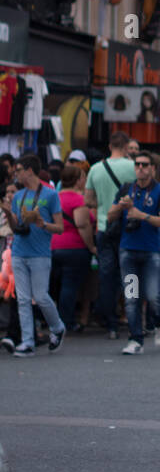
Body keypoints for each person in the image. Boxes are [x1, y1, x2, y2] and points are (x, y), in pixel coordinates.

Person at [1, 155, 66, 356]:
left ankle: (57, 327)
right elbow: (16, 227)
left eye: (19, 169)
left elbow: (60, 228)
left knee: (40, 296)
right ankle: (27, 341)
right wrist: (9, 214)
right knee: (22, 299)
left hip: (40, 253)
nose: (16, 173)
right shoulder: (18, 196)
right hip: (19, 251)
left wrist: (43, 224)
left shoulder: (50, 195)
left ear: (30, 171)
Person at [107, 151, 160, 355]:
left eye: (145, 165)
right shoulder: (126, 188)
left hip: (151, 252)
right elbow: (109, 216)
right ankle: (136, 339)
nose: (140, 168)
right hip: (128, 251)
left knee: (153, 296)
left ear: (152, 168)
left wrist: (141, 215)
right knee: (131, 297)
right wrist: (121, 207)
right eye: (137, 165)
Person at [85, 131, 136, 339]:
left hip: (104, 226)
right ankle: (133, 319)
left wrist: (104, 205)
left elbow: (88, 200)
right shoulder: (133, 167)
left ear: (109, 146)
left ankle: (111, 323)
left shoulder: (95, 169)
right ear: (125, 147)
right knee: (131, 274)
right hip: (128, 227)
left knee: (106, 276)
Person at [51, 161, 97, 331]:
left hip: (54, 246)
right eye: (83, 177)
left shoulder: (53, 197)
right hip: (74, 247)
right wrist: (91, 247)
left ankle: (51, 320)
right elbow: (83, 225)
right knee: (69, 286)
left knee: (55, 285)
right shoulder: (79, 200)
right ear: (77, 180)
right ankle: (66, 321)